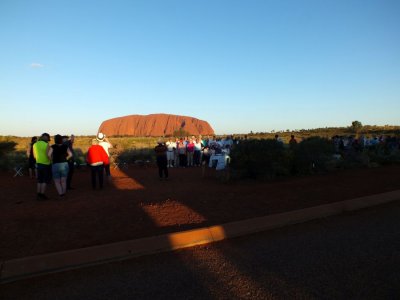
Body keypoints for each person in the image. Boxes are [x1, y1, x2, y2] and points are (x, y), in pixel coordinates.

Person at [33, 133, 52, 200]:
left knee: (39, 180)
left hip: (38, 164)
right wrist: (51, 161)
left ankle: (38, 194)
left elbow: (34, 156)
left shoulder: (35, 144)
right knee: (44, 180)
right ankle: (42, 194)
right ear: (46, 138)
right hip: (46, 164)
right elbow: (48, 155)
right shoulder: (47, 145)